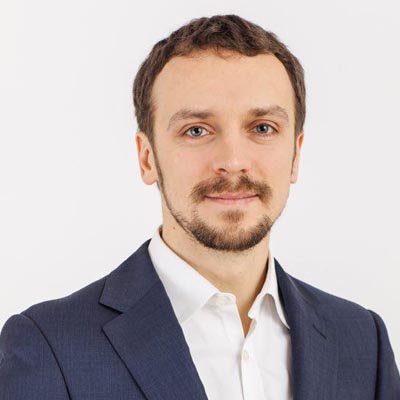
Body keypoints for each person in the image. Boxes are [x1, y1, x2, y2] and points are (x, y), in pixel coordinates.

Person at [0, 14, 399, 400]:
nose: (233, 161)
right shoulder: (50, 347)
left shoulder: (363, 341)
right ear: (147, 158)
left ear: (295, 155)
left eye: (263, 128)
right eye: (196, 130)